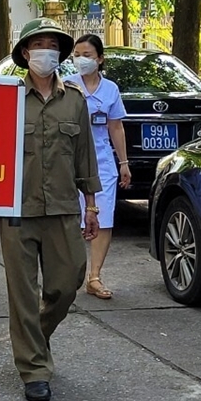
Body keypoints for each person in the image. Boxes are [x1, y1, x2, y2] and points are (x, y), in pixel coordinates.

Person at [1, 17, 101, 401]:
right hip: (17, 209)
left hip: (62, 208)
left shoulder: (74, 100)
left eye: (53, 46)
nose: (47, 52)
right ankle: (34, 369)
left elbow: (84, 158)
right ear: (26, 53)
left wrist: (91, 205)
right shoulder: (7, 96)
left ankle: (32, 339)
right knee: (22, 293)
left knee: (68, 282)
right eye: (39, 45)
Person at [63, 34, 131, 299]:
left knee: (103, 218)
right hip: (69, 160)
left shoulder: (110, 89)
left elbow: (116, 126)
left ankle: (95, 277)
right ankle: (69, 275)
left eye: (87, 55)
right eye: (77, 55)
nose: (81, 60)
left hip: (102, 161)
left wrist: (123, 163)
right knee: (71, 218)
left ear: (100, 59)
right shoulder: (67, 86)